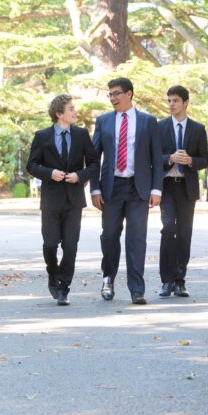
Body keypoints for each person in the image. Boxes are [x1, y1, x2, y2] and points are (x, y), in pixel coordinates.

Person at [91, 77, 163, 305]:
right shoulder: (103, 121)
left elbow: (156, 159)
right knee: (110, 235)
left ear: (129, 94)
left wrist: (157, 189)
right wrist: (94, 188)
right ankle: (108, 278)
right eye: (110, 94)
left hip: (138, 188)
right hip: (111, 187)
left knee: (136, 238)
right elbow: (94, 158)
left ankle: (137, 289)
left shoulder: (148, 121)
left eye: (117, 93)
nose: (113, 98)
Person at [26, 94, 99, 306]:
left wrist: (80, 176)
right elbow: (31, 165)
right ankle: (52, 272)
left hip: (74, 200)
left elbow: (94, 164)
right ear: (59, 113)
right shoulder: (42, 136)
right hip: (50, 200)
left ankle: (63, 288)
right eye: (71, 109)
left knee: (70, 246)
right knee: (50, 244)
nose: (75, 112)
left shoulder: (81, 134)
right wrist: (50, 173)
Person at [157, 85, 208, 298]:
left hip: (187, 188)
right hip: (167, 186)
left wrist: (190, 161)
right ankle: (166, 280)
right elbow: (153, 157)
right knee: (169, 228)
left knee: (185, 233)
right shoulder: (159, 127)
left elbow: (204, 159)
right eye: (169, 100)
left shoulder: (198, 129)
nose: (171, 104)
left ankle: (180, 280)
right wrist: (169, 158)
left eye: (175, 100)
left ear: (185, 102)